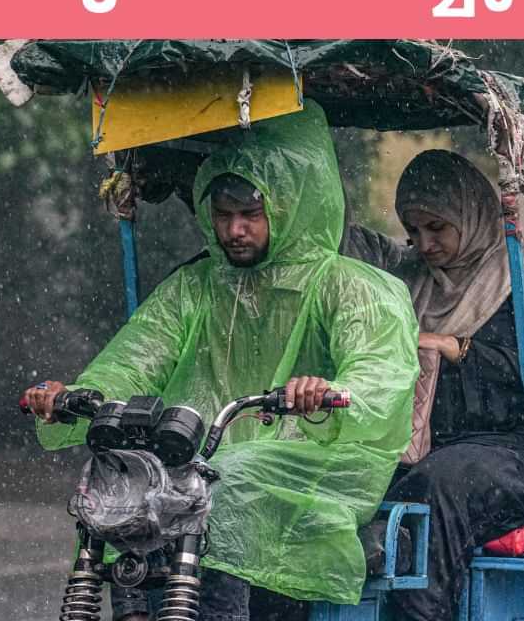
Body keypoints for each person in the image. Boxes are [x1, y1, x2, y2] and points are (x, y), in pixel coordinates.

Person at [23, 102, 420, 621]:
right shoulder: (196, 286)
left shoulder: (356, 287)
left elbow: (379, 377)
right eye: (224, 214)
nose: (234, 230)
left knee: (219, 484)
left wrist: (325, 394)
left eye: (250, 215)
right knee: (124, 479)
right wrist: (76, 397)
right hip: (206, 452)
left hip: (319, 462)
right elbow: (136, 358)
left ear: (290, 205)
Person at [379, 149, 524, 621]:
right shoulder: (407, 282)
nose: (424, 244)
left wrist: (458, 348)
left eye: (437, 228)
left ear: (468, 214)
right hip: (420, 448)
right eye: (414, 232)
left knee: (439, 485)